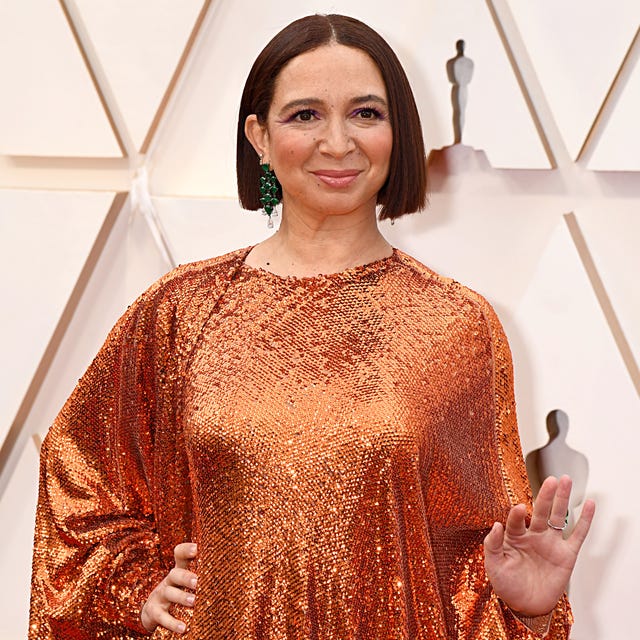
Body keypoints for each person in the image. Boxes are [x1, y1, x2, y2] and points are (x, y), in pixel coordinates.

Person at [29, 14, 595, 640]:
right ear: (259, 137)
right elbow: (78, 491)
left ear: (397, 132)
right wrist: (130, 591)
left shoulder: (456, 326)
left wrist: (530, 609)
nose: (337, 143)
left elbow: (476, 567)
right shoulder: (178, 312)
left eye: (365, 113)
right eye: (304, 115)